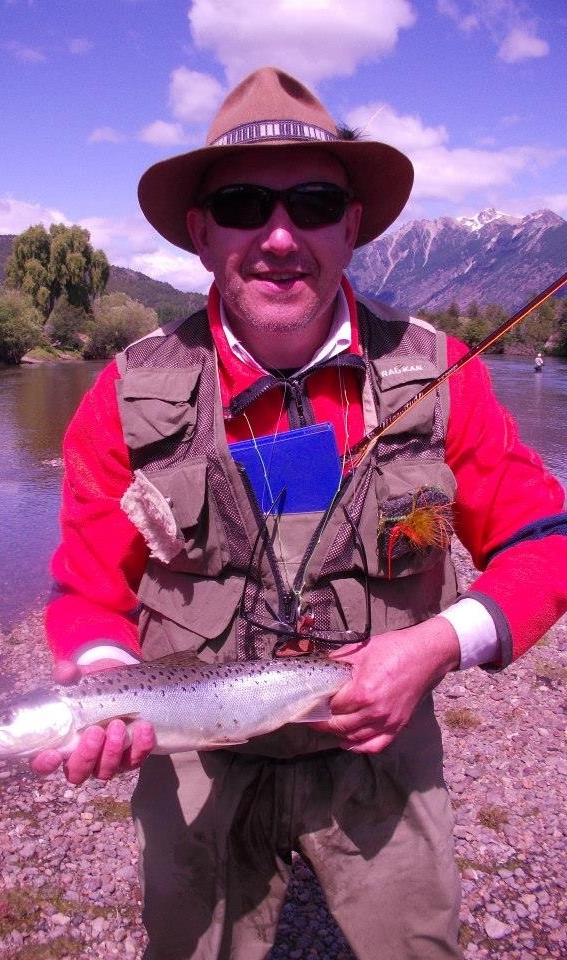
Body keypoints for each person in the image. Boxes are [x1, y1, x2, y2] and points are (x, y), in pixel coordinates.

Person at [33, 68, 567, 960]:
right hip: (196, 756)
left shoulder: (443, 376)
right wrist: (109, 687)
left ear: (352, 226)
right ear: (201, 234)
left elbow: (544, 543)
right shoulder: (124, 396)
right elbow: (87, 591)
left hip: (380, 752)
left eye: (314, 201)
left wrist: (436, 645)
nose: (280, 237)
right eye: (243, 203)